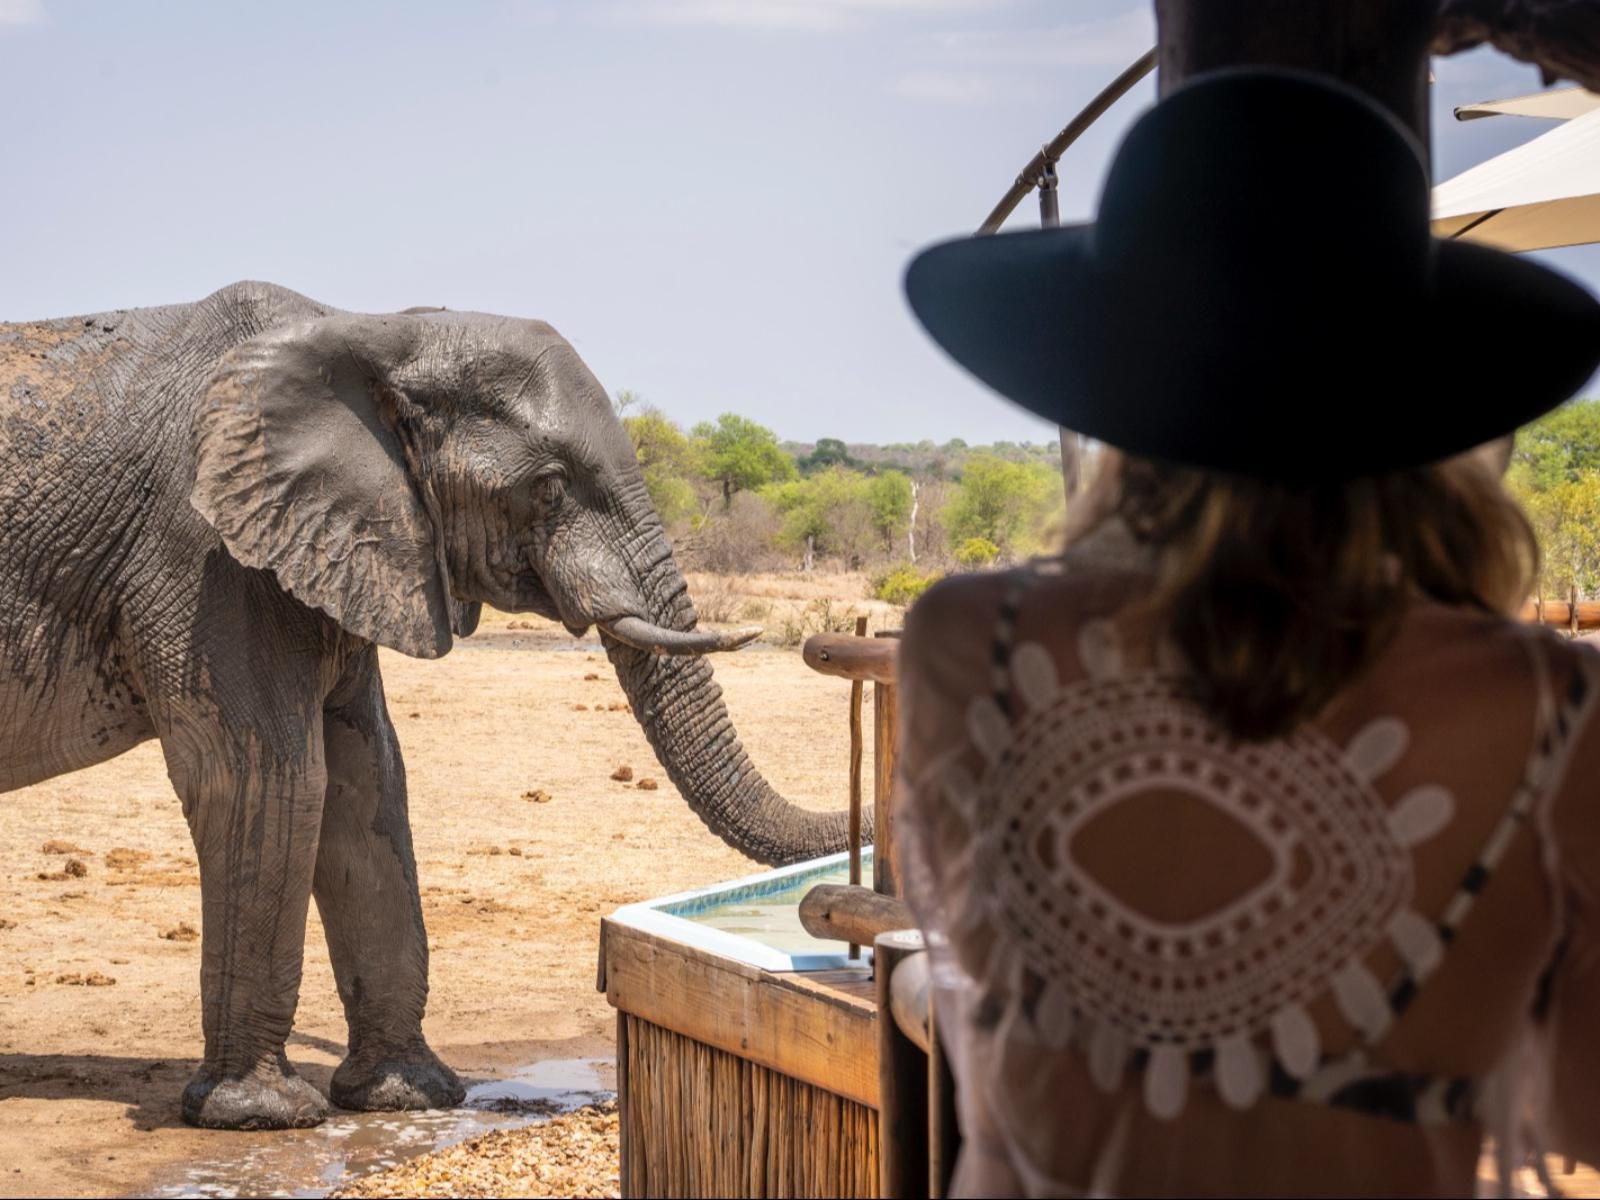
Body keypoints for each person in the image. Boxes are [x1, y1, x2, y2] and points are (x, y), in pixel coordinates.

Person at [895, 68, 1600, 1198]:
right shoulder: (1542, 709)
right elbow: (1580, 1102)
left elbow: (995, 1014)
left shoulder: (967, 642)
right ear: (1421, 398)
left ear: (1113, 372)